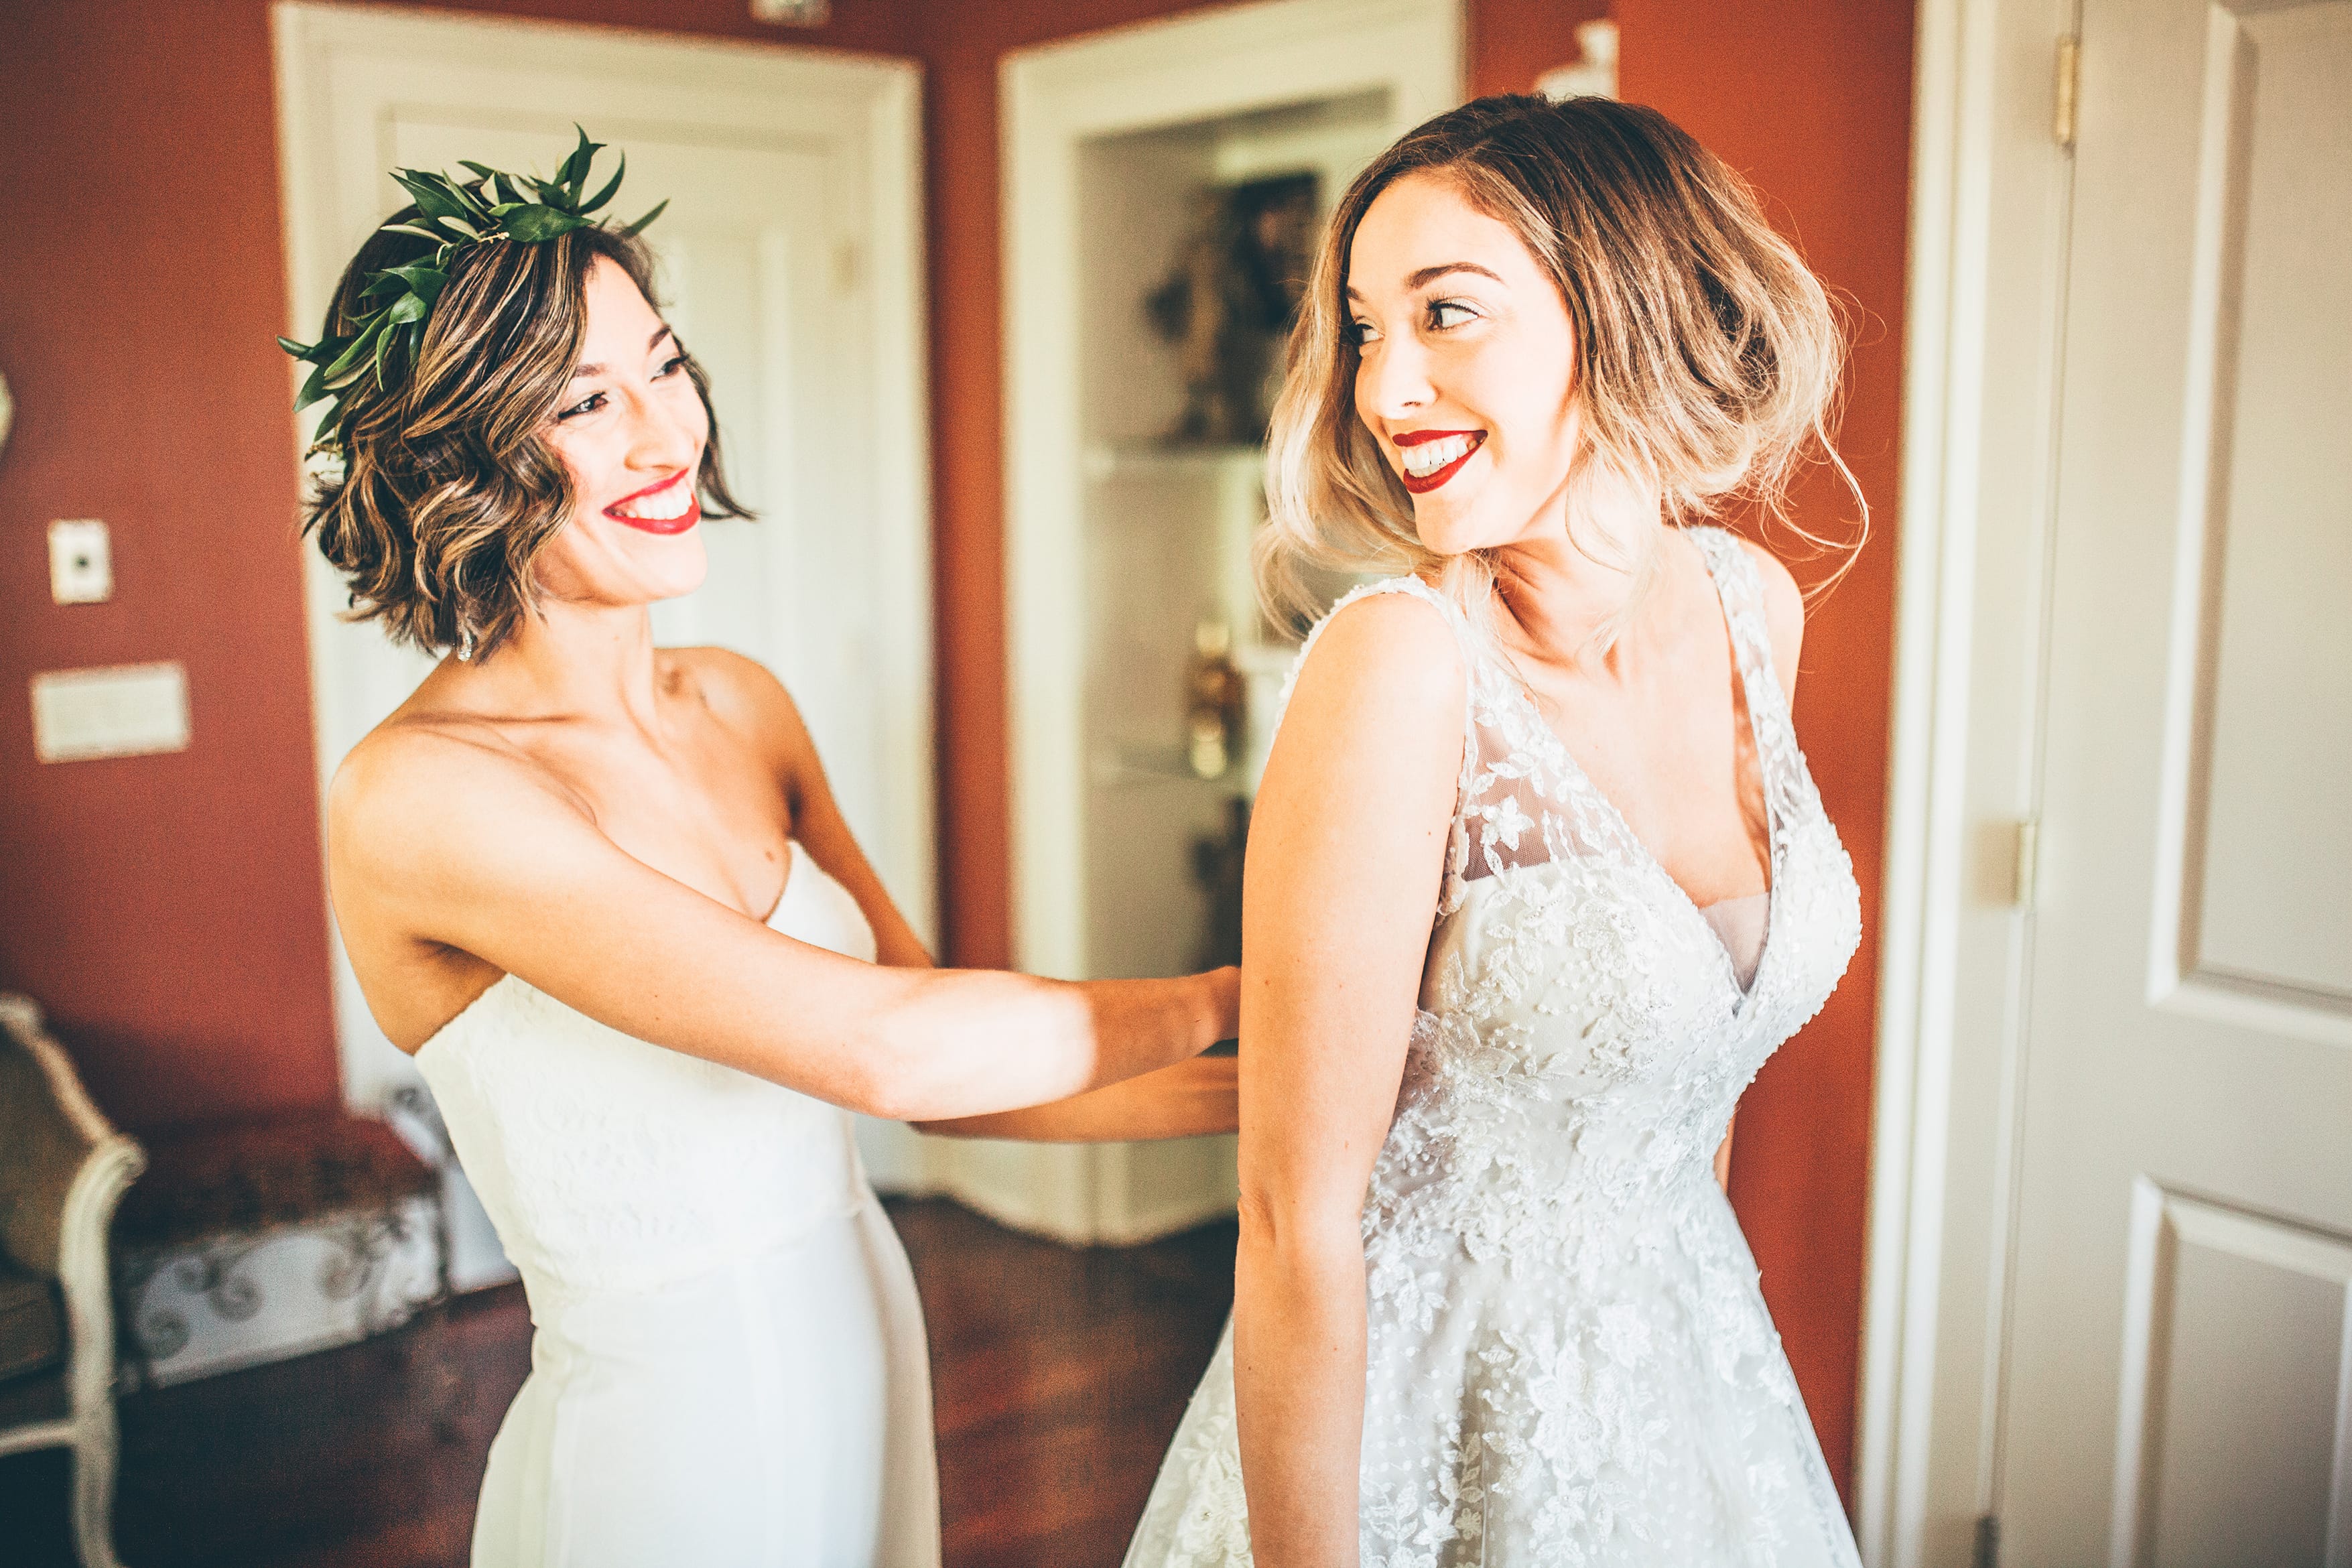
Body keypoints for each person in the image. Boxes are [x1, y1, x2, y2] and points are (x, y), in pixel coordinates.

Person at [286, 136, 1238, 1568]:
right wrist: (1256, 992)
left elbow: (957, 1095)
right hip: (671, 1455)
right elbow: (888, 1052)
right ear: (456, 459)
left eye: (664, 367)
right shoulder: (423, 799)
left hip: (873, 1342)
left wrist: (1298, 1090)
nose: (668, 438)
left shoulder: (739, 702)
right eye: (582, 404)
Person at [1124, 94, 1866, 1566]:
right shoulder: (1397, 666)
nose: (1387, 384)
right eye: (1362, 329)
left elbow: (1683, 1092)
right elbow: (1291, 1223)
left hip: (1689, 1381)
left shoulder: (1749, 610)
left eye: (1445, 314)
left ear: (1629, 309)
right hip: (1417, 1415)